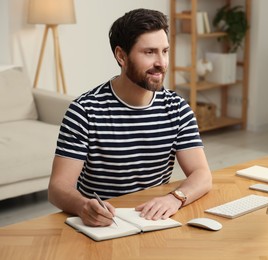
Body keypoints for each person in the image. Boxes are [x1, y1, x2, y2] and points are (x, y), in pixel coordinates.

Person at [48, 8, 212, 227]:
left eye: (165, 51)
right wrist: (82, 206)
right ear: (121, 56)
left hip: (154, 219)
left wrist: (175, 198)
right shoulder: (84, 111)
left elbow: (202, 174)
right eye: (149, 52)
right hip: (104, 224)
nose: (161, 63)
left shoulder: (177, 109)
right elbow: (58, 188)